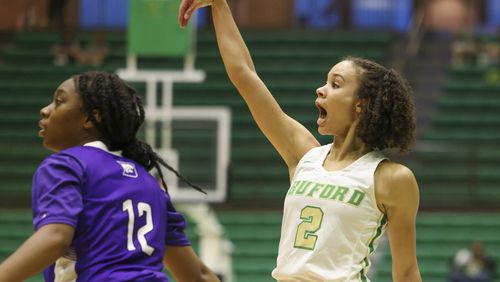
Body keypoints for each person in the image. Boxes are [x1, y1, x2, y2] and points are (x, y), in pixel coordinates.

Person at [179, 1, 422, 281]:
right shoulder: (305, 155)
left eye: (335, 84)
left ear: (360, 105)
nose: (321, 89)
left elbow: (405, 271)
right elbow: (244, 75)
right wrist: (219, 5)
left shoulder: (391, 178)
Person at [0, 71, 220, 282]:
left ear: (90, 118)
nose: (45, 110)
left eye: (59, 101)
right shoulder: (150, 184)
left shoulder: (67, 164)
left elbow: (55, 237)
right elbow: (198, 276)